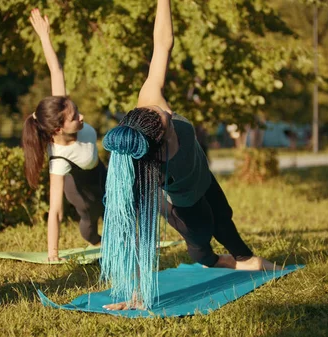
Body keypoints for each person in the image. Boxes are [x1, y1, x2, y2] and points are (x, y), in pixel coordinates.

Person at [100, 0, 280, 311]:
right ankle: (211, 256)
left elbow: (163, 44)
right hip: (187, 207)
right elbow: (138, 233)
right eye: (162, 117)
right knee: (203, 251)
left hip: (204, 179)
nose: (162, 109)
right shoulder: (151, 166)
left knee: (226, 222)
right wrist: (138, 295)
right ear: (159, 137)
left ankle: (246, 259)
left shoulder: (150, 102)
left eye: (158, 111)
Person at [22, 9, 106, 262]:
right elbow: (56, 211)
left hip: (101, 173)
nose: (80, 117)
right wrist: (53, 254)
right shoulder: (58, 159)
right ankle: (94, 239)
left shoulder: (63, 109)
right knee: (90, 225)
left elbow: (56, 71)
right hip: (81, 193)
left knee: (119, 208)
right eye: (74, 118)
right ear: (58, 129)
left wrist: (45, 37)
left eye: (77, 112)